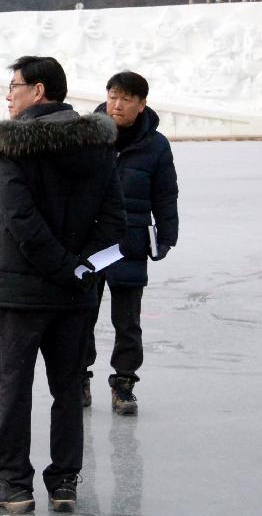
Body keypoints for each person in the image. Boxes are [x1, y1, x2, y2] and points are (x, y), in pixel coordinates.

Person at [0, 56, 126, 513]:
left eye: (14, 85)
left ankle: (14, 483)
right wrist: (79, 269)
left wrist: (60, 266)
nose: (9, 94)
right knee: (67, 390)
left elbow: (20, 219)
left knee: (15, 389)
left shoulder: (14, 144)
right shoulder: (98, 146)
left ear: (38, 91)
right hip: (77, 293)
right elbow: (115, 220)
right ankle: (64, 483)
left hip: (23, 292)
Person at [82, 71, 179, 416]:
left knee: (128, 320)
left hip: (130, 242)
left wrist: (166, 236)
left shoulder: (156, 145)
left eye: (125, 98)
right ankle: (80, 377)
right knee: (81, 315)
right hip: (90, 243)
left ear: (141, 104)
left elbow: (165, 194)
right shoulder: (88, 134)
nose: (116, 105)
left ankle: (124, 384)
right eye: (112, 96)